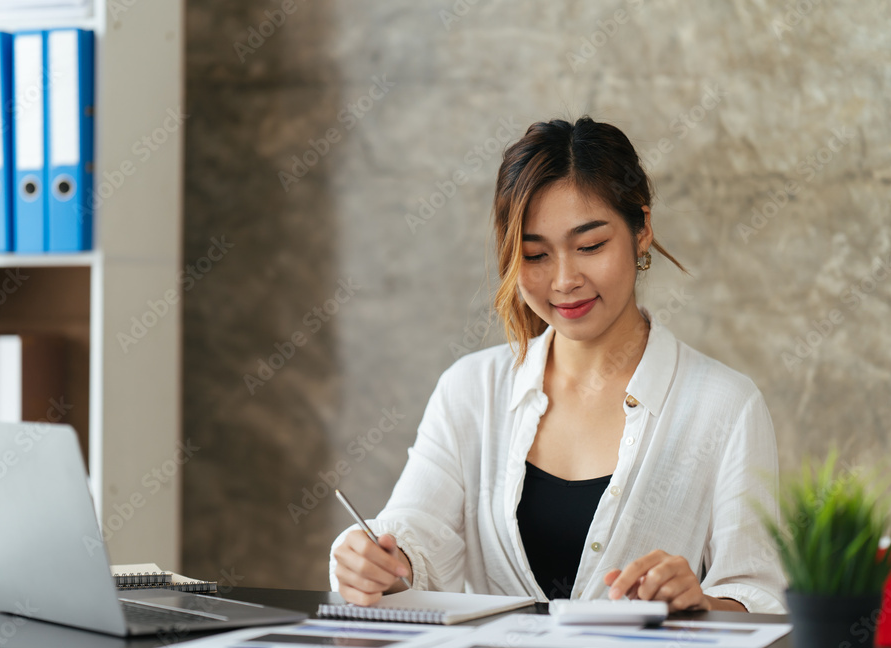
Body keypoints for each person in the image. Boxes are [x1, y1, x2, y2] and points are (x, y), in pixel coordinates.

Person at [329, 117, 786, 614]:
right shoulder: (471, 389)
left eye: (590, 246)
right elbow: (415, 532)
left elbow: (760, 595)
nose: (564, 280)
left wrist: (699, 603)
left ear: (642, 231)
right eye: (535, 254)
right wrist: (375, 564)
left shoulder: (724, 406)